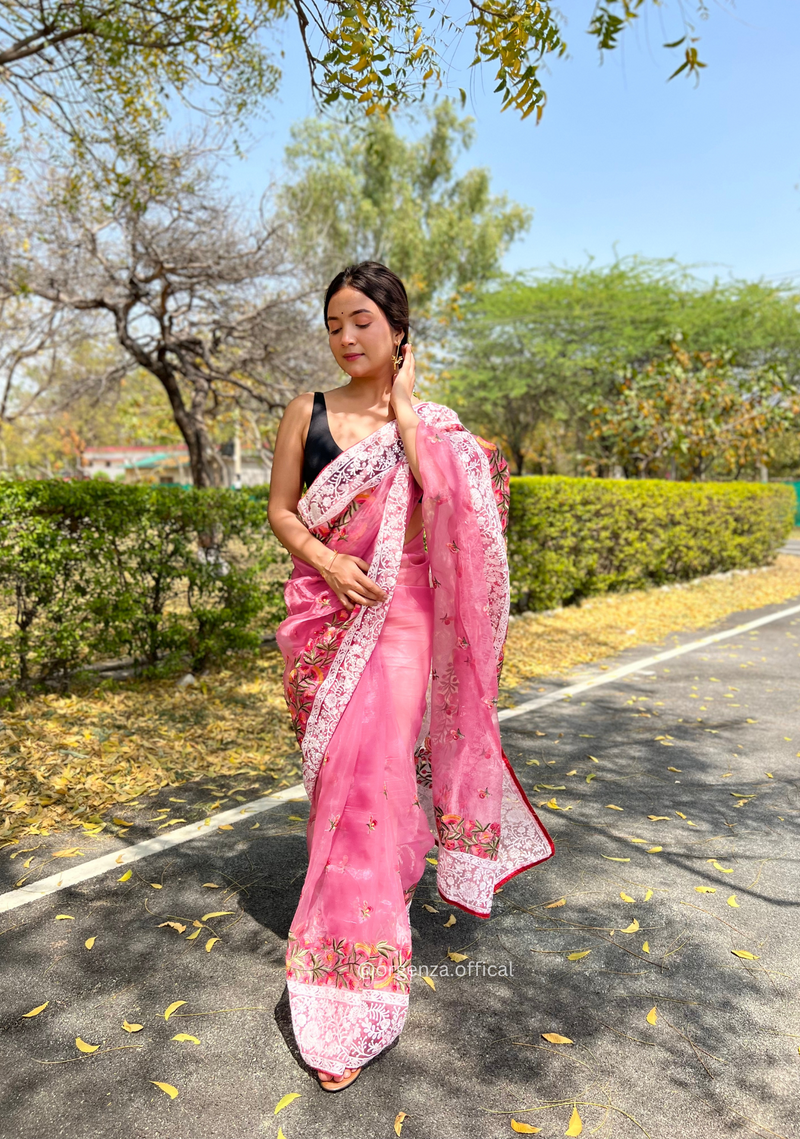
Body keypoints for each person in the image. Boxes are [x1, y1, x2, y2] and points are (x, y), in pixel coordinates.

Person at [268, 261, 554, 1092]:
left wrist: (404, 414)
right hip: (323, 625)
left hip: (401, 630)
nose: (346, 338)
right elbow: (283, 508)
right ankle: (371, 908)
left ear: (398, 331)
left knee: (372, 789)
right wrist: (326, 558)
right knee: (340, 794)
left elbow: (468, 508)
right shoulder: (305, 412)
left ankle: (348, 987)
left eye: (362, 321)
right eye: (333, 325)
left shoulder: (431, 425)